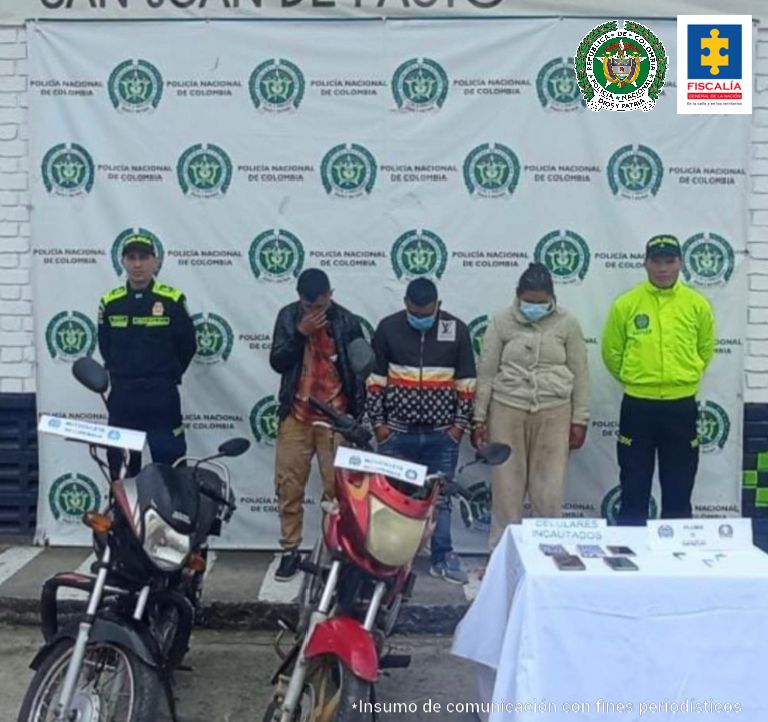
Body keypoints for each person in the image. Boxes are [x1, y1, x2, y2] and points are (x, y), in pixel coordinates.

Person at [471, 262, 589, 551]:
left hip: (554, 412)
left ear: (552, 298)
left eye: (541, 302)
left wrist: (580, 419)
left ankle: (547, 553)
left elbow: (581, 373)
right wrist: (479, 418)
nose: (534, 307)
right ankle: (501, 555)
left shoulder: (567, 323)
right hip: (507, 409)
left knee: (548, 489)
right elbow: (486, 372)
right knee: (506, 488)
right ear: (517, 296)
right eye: (528, 302)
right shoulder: (500, 321)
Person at [367, 278, 476, 584]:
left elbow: (467, 385)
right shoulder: (388, 328)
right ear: (405, 304)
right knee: (391, 498)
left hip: (443, 434)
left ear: (438, 305)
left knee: (440, 498)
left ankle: (442, 555)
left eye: (427, 313)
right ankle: (389, 559)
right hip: (396, 433)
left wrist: (458, 428)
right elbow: (375, 382)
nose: (421, 318)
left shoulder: (457, 330)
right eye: (416, 312)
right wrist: (379, 426)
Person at [601, 234, 716, 524]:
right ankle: (632, 556)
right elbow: (612, 353)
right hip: (638, 407)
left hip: (681, 406)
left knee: (679, 487)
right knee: (634, 485)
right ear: (645, 264)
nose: (663, 268)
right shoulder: (626, 304)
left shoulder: (697, 304)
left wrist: (681, 380)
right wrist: (638, 379)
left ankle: (676, 559)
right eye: (656, 261)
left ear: (680, 263)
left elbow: (705, 351)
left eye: (670, 261)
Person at [269, 268, 366, 581]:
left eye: (319, 306)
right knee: (288, 487)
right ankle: (289, 550)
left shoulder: (348, 322)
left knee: (337, 494)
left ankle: (335, 554)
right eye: (308, 305)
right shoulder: (288, 317)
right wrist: (300, 332)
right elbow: (278, 362)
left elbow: (361, 371)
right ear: (300, 299)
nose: (314, 311)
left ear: (330, 295)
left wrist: (355, 418)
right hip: (296, 415)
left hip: (335, 420)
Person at [97, 234, 197, 479]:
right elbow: (105, 346)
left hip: (161, 397)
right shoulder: (110, 302)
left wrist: (167, 374)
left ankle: (172, 518)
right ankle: (123, 518)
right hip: (124, 397)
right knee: (122, 473)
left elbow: (187, 345)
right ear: (122, 262)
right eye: (131, 258)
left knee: (171, 470)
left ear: (155, 261)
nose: (138, 264)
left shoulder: (172, 299)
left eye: (144, 257)